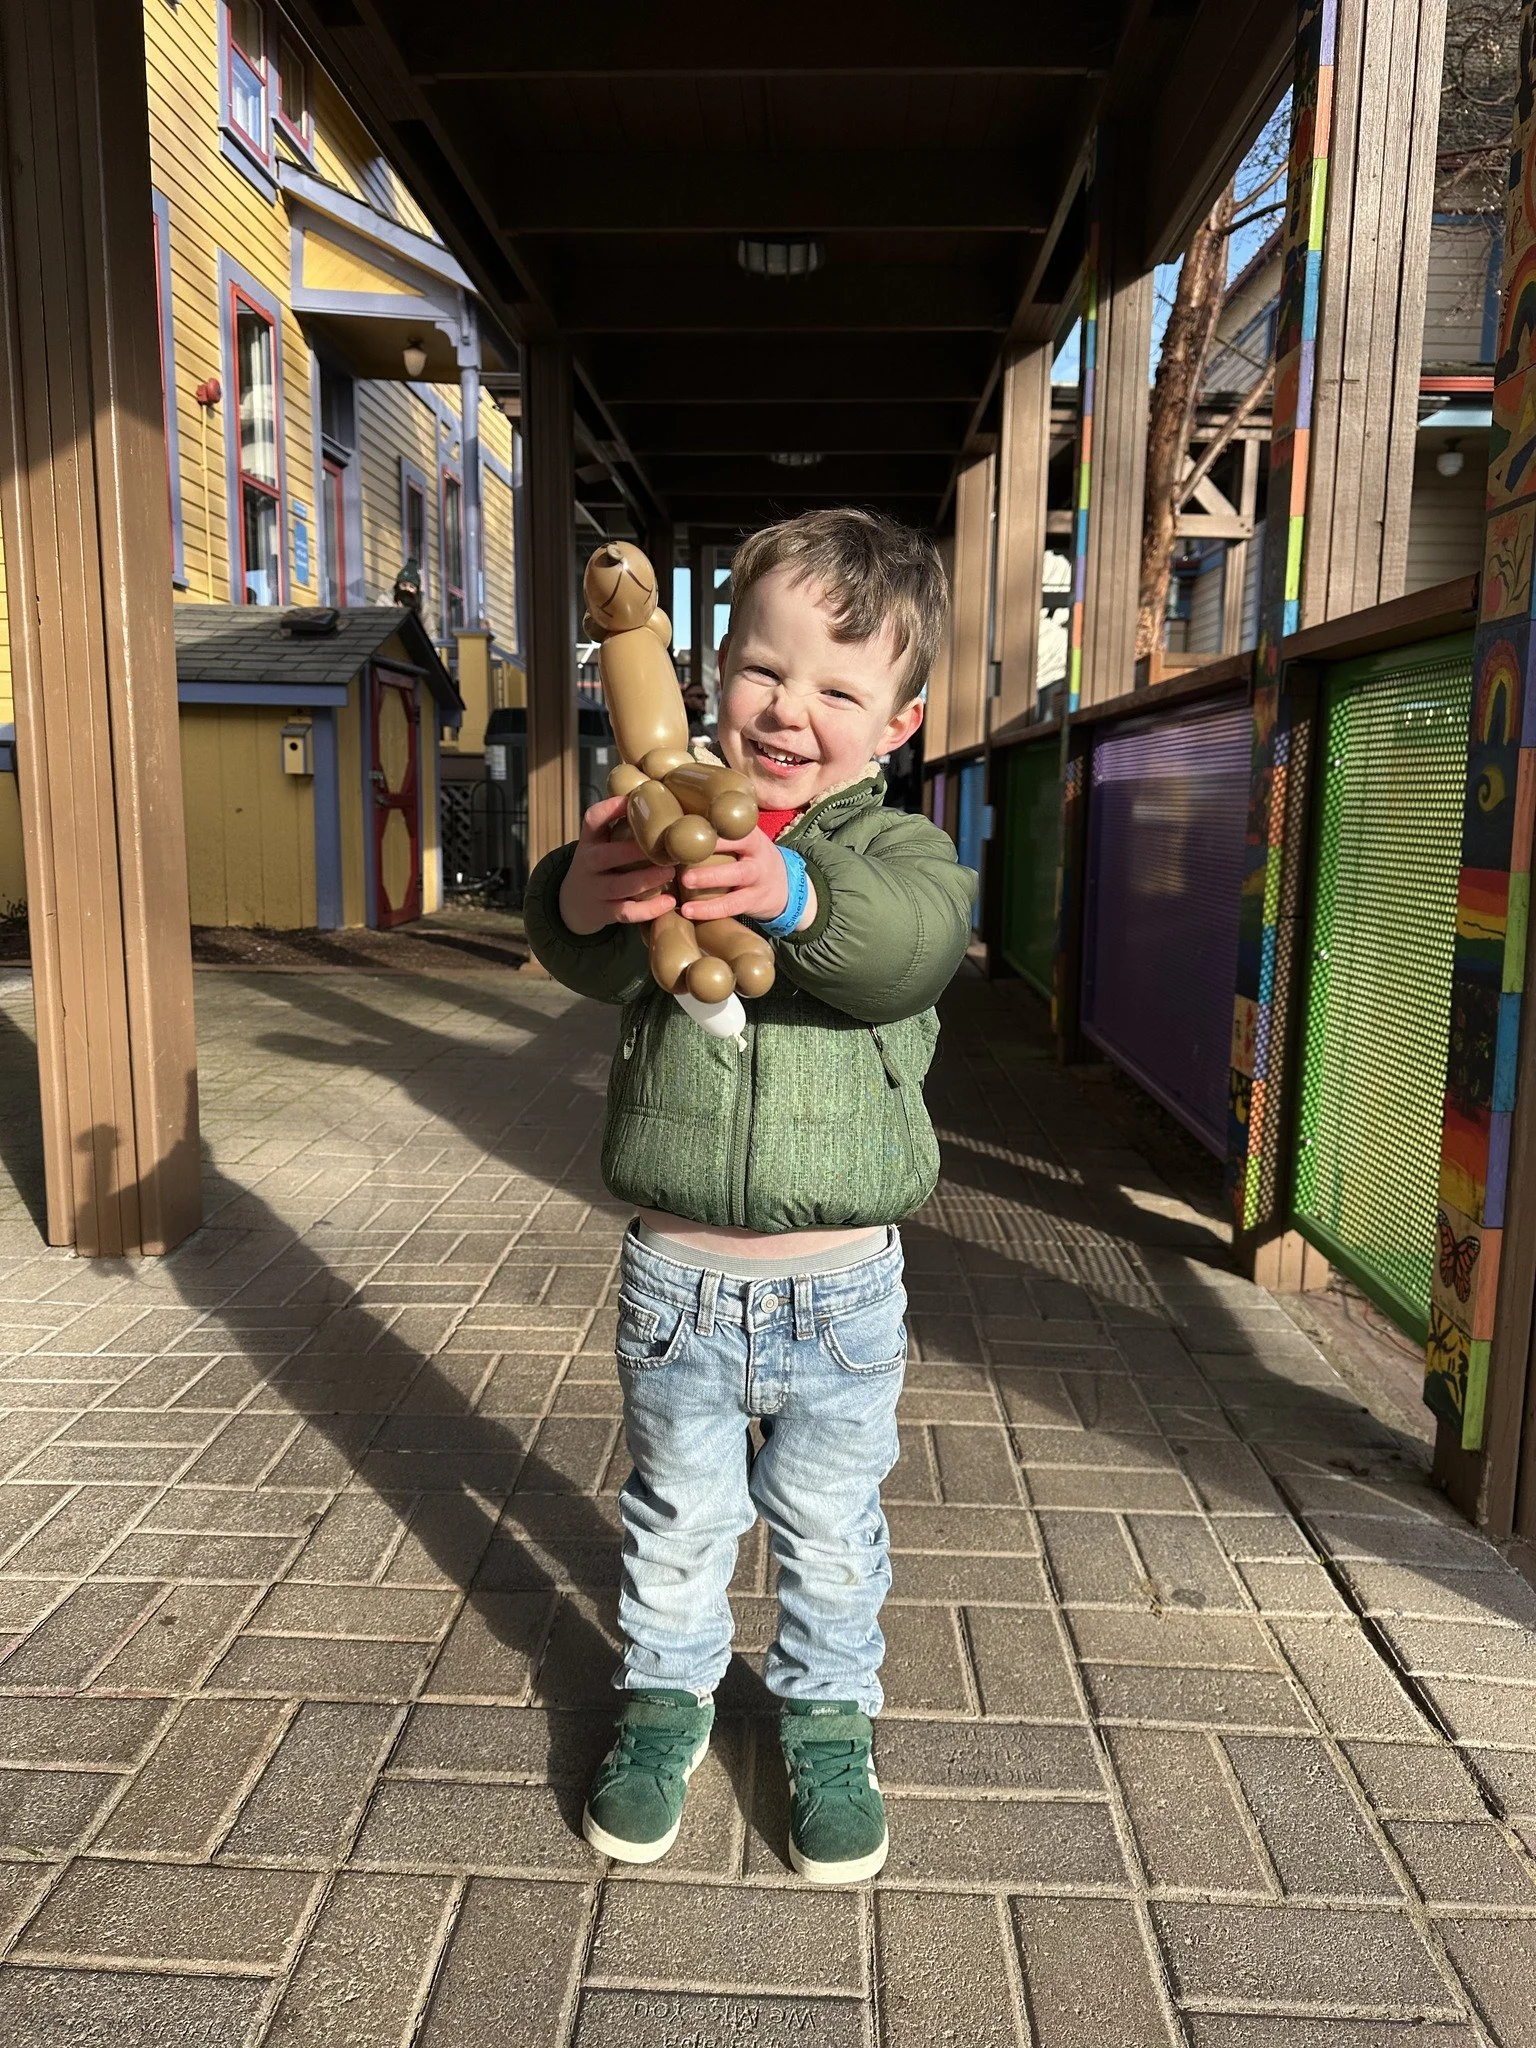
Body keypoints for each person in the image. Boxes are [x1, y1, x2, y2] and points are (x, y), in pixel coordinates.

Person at [523, 508, 976, 1884]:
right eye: (766, 670)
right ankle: (666, 1700)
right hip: (679, 1279)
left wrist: (789, 890)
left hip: (841, 1288)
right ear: (713, 672)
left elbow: (909, 950)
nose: (793, 708)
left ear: (897, 724)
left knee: (833, 1525)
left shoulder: (898, 857)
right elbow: (592, 960)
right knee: (679, 1511)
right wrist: (582, 900)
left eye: (843, 688)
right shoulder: (662, 811)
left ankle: (828, 1719)